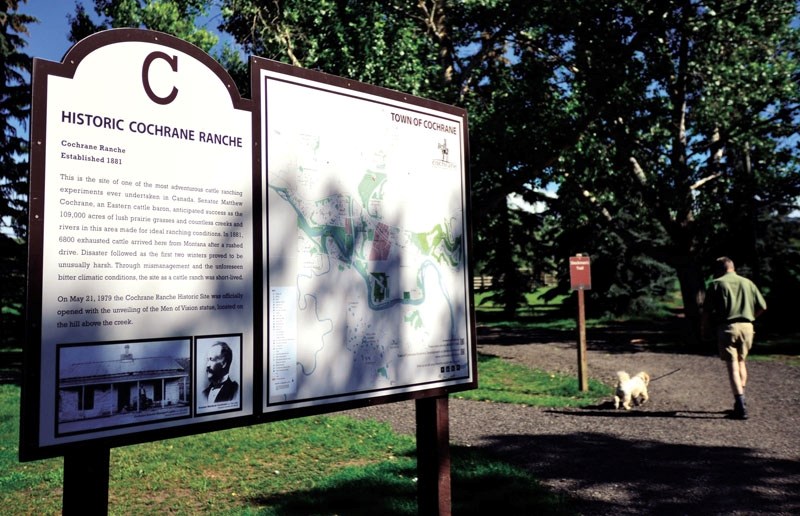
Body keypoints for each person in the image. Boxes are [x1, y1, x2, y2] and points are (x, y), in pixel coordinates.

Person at [703, 257, 767, 420]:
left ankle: (740, 405)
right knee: (741, 362)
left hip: (727, 328)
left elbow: (707, 312)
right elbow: (763, 306)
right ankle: (740, 400)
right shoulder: (748, 282)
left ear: (719, 269)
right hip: (747, 327)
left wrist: (705, 329)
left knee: (732, 366)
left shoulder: (716, 284)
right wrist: (750, 317)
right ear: (732, 267)